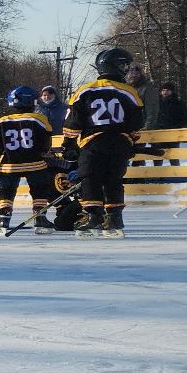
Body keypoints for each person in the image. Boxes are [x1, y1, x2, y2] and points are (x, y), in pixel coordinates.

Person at [63, 47, 159, 237]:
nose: (126, 69)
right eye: (123, 65)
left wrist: (69, 143)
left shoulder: (83, 91)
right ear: (113, 66)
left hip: (93, 143)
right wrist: (130, 140)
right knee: (113, 179)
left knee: (90, 178)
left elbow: (73, 121)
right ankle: (115, 217)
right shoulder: (129, 92)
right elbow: (136, 122)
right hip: (119, 142)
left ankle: (94, 217)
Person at [0, 86, 56, 233]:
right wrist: (45, 153)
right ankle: (40, 218)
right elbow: (45, 143)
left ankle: (3, 217)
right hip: (35, 163)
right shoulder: (39, 119)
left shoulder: (2, 121)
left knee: (7, 191)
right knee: (39, 190)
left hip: (10, 165)